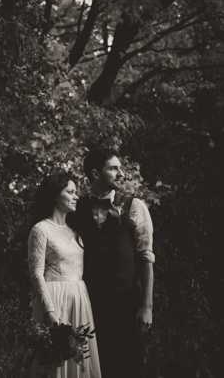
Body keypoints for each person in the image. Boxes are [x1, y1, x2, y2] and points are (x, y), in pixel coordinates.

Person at [71, 148, 154, 378]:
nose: (121, 173)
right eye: (113, 168)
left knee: (128, 366)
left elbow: (146, 259)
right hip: (88, 306)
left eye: (120, 167)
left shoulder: (135, 207)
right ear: (96, 174)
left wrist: (146, 306)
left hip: (127, 304)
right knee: (94, 368)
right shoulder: (75, 210)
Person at [28, 173, 101, 377]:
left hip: (78, 299)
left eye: (76, 192)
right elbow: (36, 273)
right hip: (55, 299)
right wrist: (49, 312)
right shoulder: (41, 230)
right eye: (70, 192)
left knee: (79, 362)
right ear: (54, 196)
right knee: (54, 363)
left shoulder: (74, 232)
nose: (76, 196)